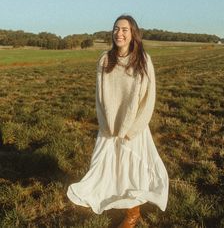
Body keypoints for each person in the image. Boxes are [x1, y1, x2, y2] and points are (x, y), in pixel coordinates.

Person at [67, 15, 169, 228]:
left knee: (131, 171)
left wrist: (134, 129)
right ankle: (115, 202)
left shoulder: (143, 59)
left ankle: (133, 213)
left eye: (124, 29)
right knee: (107, 169)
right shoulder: (105, 59)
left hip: (134, 129)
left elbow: (149, 98)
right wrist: (104, 124)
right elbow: (99, 96)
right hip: (109, 129)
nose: (119, 33)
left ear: (133, 34)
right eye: (116, 29)